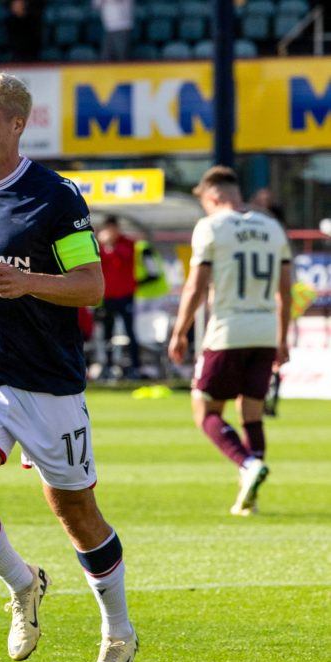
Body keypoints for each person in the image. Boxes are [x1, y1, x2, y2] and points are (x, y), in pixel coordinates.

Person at [0, 71, 136, 662]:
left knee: (76, 512)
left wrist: (30, 282)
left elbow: (92, 286)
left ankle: (118, 630)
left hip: (48, 385)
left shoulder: (54, 197)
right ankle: (23, 584)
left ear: (17, 124)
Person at [168, 166, 292, 517]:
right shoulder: (272, 227)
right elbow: (285, 290)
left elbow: (196, 285)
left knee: (204, 409)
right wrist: (282, 339)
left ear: (214, 197)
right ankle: (249, 493)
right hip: (266, 330)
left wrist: (180, 331)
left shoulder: (211, 227)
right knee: (251, 412)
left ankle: (247, 465)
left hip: (227, 330)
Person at [96, 216, 140, 379]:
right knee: (107, 333)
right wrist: (103, 245)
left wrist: (109, 245)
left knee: (130, 332)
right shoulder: (98, 246)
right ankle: (107, 366)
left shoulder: (128, 243)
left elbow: (123, 258)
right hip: (107, 297)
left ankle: (134, 367)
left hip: (126, 296)